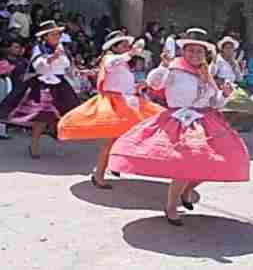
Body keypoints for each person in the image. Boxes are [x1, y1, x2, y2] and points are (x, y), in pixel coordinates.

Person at [107, 28, 250, 226]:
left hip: (204, 120)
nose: (195, 55)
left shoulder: (206, 73)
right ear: (183, 52)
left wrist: (224, 94)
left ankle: (187, 190)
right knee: (184, 166)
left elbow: (214, 103)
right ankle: (171, 206)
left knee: (217, 161)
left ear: (205, 54)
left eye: (199, 52)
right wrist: (163, 66)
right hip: (180, 121)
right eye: (190, 50)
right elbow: (154, 83)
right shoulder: (174, 69)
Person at [57, 31, 163, 189]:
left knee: (123, 138)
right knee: (112, 141)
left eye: (128, 45)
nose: (127, 47)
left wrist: (138, 87)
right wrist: (132, 52)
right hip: (114, 105)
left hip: (126, 103)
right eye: (124, 45)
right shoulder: (110, 59)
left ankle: (111, 167)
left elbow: (123, 84)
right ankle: (99, 174)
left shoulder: (123, 63)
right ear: (115, 47)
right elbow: (111, 64)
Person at [0, 21, 81, 158]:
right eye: (53, 34)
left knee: (66, 111)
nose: (56, 36)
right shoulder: (39, 49)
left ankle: (54, 133)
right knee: (42, 115)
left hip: (60, 83)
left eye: (57, 34)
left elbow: (65, 64)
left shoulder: (60, 47)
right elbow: (39, 67)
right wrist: (52, 58)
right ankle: (35, 144)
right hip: (44, 84)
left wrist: (67, 64)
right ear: (45, 37)